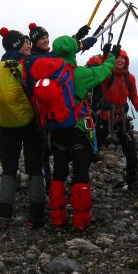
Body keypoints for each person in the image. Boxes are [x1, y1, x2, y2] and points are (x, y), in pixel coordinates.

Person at [38, 35, 117, 231]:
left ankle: (57, 218)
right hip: (78, 131)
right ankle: (80, 221)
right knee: (81, 175)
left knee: (58, 174)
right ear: (73, 52)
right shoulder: (80, 74)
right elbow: (104, 71)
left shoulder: (47, 74)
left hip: (56, 132)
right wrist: (112, 57)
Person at [0, 27, 44, 228]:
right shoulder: (28, 66)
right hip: (31, 125)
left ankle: (4, 215)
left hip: (5, 127)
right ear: (18, 45)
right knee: (34, 168)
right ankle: (36, 214)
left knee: (8, 169)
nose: (29, 45)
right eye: (26, 43)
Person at [27, 22, 91, 189]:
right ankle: (49, 187)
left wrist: (77, 37)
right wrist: (80, 43)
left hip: (47, 111)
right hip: (46, 113)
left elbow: (58, 53)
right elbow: (58, 55)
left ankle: (52, 187)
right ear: (34, 42)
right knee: (46, 154)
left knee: (51, 153)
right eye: (41, 38)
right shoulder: (38, 59)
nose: (46, 40)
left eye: (47, 36)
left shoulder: (37, 58)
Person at [92, 49, 138, 191]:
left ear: (126, 61)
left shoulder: (130, 78)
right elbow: (100, 64)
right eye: (117, 58)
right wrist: (105, 55)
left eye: (123, 58)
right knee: (92, 149)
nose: (120, 60)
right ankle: (81, 178)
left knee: (131, 151)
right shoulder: (106, 74)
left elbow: (134, 96)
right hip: (104, 118)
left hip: (121, 119)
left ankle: (132, 181)